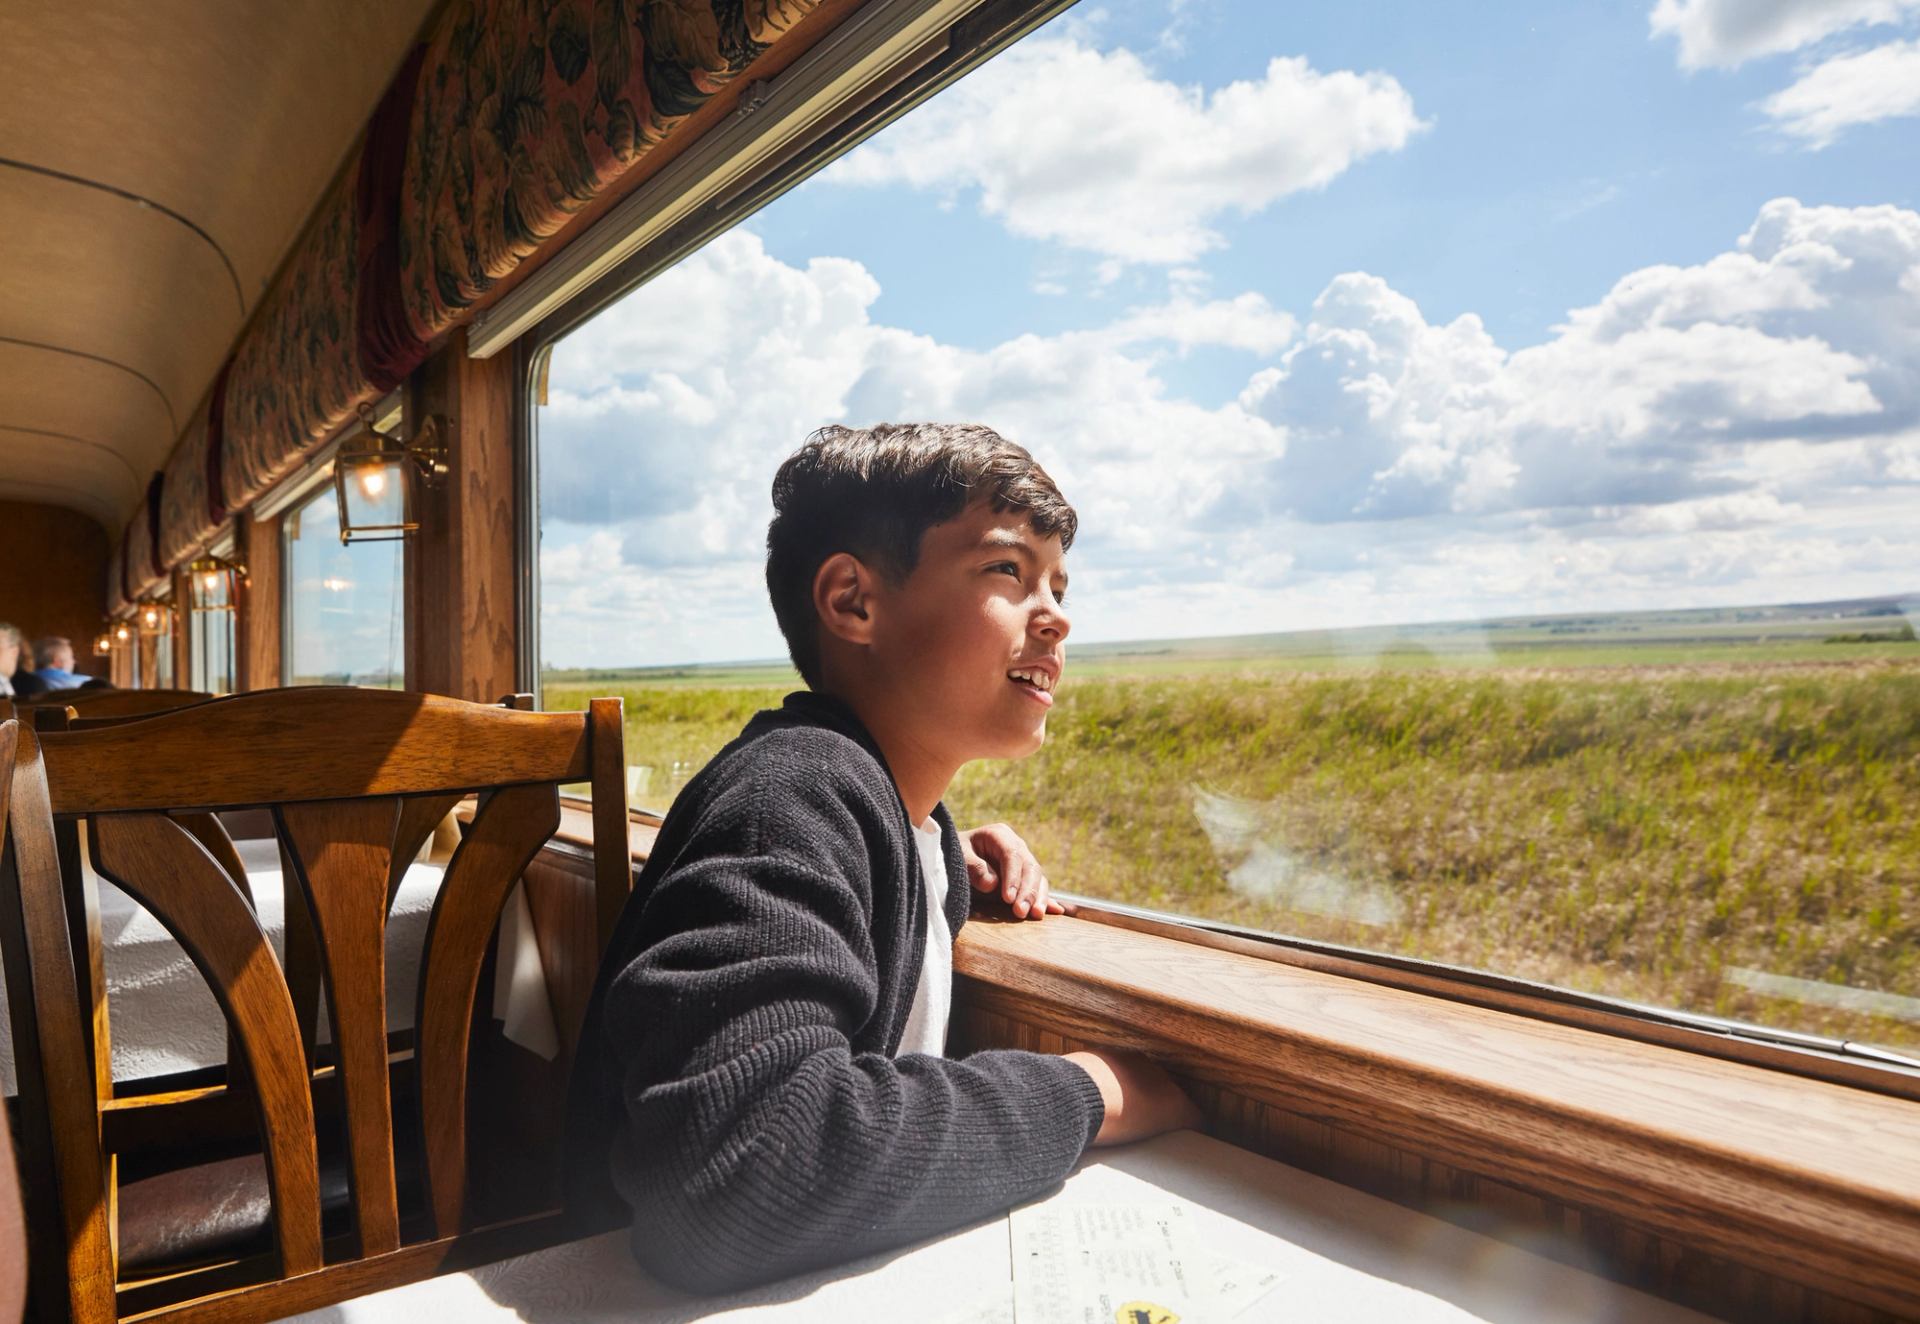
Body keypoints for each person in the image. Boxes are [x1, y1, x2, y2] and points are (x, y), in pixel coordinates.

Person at [567, 423, 1201, 1293]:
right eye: (1008, 572)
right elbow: (740, 1173)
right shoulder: (791, 795)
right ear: (853, 602)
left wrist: (940, 857)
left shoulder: (893, 819)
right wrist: (1089, 1091)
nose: (1057, 614)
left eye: (1059, 582)